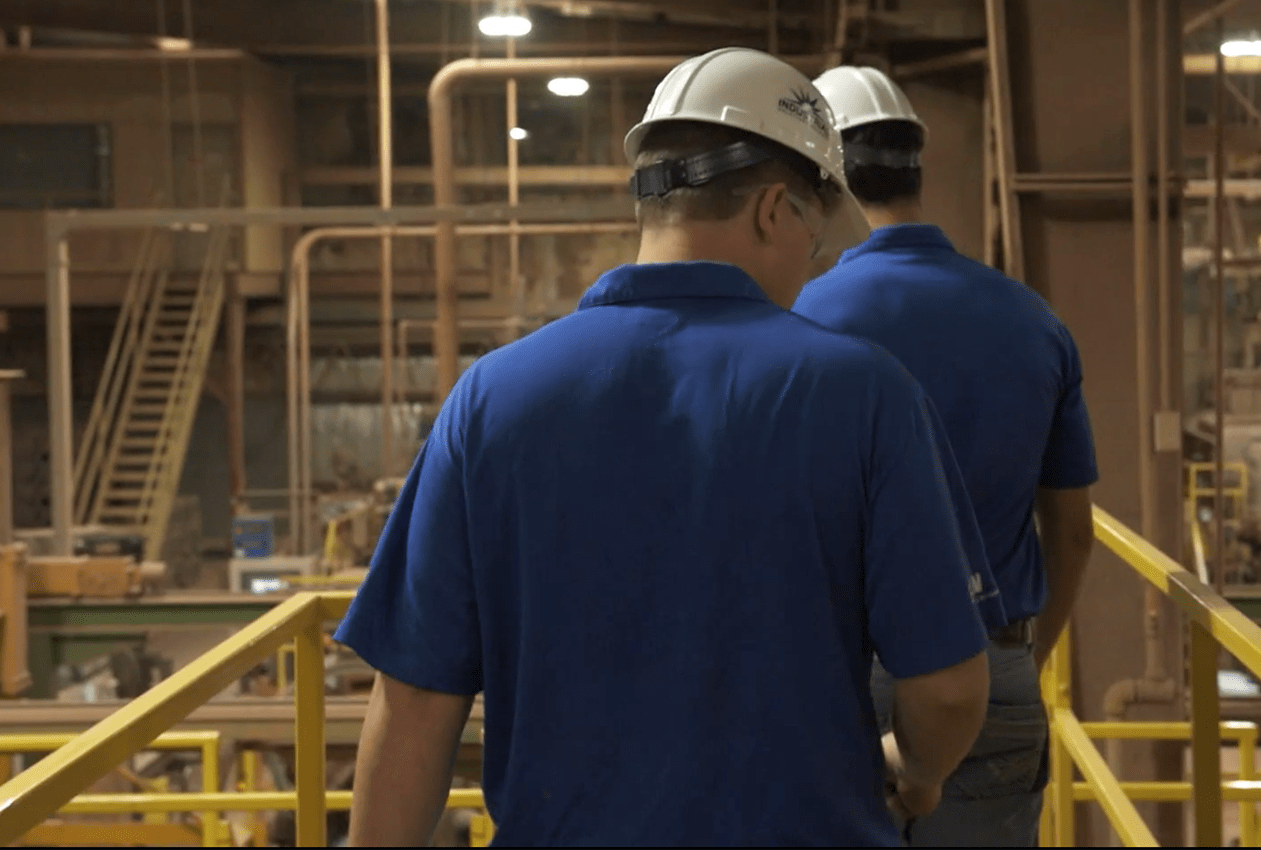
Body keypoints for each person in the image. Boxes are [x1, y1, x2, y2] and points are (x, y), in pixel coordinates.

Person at [337, 47, 1008, 846]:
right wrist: (920, 773)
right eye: (815, 237)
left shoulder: (492, 397)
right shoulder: (866, 394)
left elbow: (413, 708)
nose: (814, 264)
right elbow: (948, 693)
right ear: (771, 210)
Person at [794, 66, 1099, 847]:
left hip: (840, 670)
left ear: (826, 174)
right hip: (993, 661)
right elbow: (1070, 530)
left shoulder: (802, 319)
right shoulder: (1033, 321)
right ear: (917, 169)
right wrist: (1024, 659)